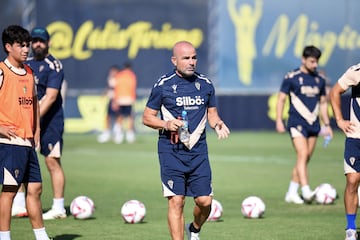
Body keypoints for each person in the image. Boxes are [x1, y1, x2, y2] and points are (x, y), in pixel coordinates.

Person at [142, 41, 230, 240]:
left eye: (194, 57)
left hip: (198, 152)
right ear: (174, 60)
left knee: (205, 202)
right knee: (176, 201)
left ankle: (195, 230)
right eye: (186, 58)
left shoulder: (206, 84)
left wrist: (218, 124)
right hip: (171, 151)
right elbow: (147, 117)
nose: (191, 62)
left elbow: (212, 115)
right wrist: (165, 124)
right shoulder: (163, 85)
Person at [0, 25, 52, 240]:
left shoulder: (29, 71)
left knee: (36, 189)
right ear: (8, 47)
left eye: (27, 45)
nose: (25, 50)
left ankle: (41, 236)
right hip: (10, 142)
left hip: (28, 140)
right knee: (10, 190)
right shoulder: (2, 71)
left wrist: (37, 128)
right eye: (20, 46)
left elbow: (35, 103)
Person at [12, 27, 67, 220]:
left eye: (41, 41)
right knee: (21, 160)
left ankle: (59, 207)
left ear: (48, 43)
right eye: (34, 41)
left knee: (52, 161)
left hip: (51, 121)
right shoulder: (26, 64)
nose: (37, 44)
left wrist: (33, 120)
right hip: (26, 122)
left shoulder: (54, 65)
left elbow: (51, 97)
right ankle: (19, 205)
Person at [275, 45, 333, 204]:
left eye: (317, 62)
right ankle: (306, 190)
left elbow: (322, 104)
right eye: (312, 61)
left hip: (313, 124)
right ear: (303, 59)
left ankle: (291, 192)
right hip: (296, 122)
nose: (315, 65)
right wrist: (279, 120)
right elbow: (281, 99)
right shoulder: (291, 77)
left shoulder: (319, 80)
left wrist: (327, 125)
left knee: (305, 158)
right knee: (302, 154)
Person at [330, 63, 360, 240]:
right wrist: (339, 120)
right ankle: (350, 229)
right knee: (352, 180)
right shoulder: (356, 72)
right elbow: (334, 92)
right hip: (355, 138)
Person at [112, 62, 137, 144]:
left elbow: (116, 89)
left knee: (120, 117)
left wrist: (115, 100)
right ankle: (130, 135)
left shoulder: (119, 75)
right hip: (129, 99)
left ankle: (119, 136)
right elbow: (132, 88)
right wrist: (133, 98)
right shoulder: (131, 75)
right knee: (130, 117)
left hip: (120, 99)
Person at [97, 65, 120, 143]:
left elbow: (118, 90)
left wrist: (115, 101)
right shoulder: (110, 78)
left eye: (113, 71)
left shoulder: (118, 79)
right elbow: (109, 88)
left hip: (116, 100)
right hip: (111, 100)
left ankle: (117, 135)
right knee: (108, 117)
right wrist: (104, 94)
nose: (111, 72)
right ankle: (107, 133)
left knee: (118, 118)